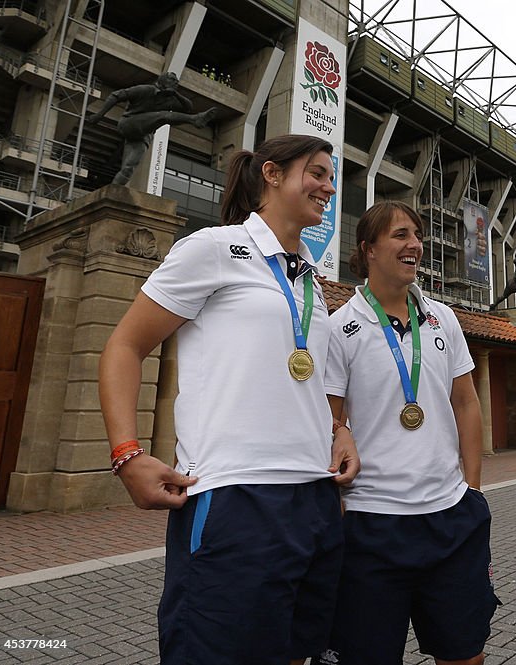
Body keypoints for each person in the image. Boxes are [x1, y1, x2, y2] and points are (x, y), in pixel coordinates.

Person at [99, 134, 358, 665]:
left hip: (314, 498)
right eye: (316, 172)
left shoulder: (310, 278)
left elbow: (301, 380)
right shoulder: (213, 248)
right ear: (270, 174)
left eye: (331, 177)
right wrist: (127, 453)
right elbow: (125, 346)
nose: (328, 187)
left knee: (296, 652)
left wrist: (338, 429)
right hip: (235, 495)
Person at [314, 201, 499, 665]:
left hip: (451, 519)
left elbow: (466, 402)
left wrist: (473, 489)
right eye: (400, 235)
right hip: (371, 522)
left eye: (416, 235)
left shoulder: (443, 318)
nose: (414, 244)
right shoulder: (341, 328)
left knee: (465, 656)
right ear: (368, 249)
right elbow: (328, 422)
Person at [87, 72, 217, 185]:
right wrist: (99, 115)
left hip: (143, 135)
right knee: (164, 116)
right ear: (162, 80)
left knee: (128, 168)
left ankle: (113, 192)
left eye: (177, 82)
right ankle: (194, 119)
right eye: (172, 80)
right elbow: (116, 95)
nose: (176, 83)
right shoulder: (146, 90)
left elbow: (188, 107)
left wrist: (175, 94)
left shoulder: (170, 100)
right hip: (129, 123)